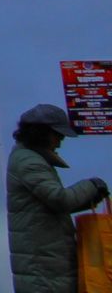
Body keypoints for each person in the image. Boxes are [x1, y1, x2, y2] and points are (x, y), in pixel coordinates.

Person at [7, 102, 109, 293]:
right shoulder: (29, 162)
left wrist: (91, 199)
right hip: (43, 266)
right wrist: (91, 185)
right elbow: (60, 199)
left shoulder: (29, 158)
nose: (60, 141)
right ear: (41, 133)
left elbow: (53, 207)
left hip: (47, 260)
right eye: (58, 135)